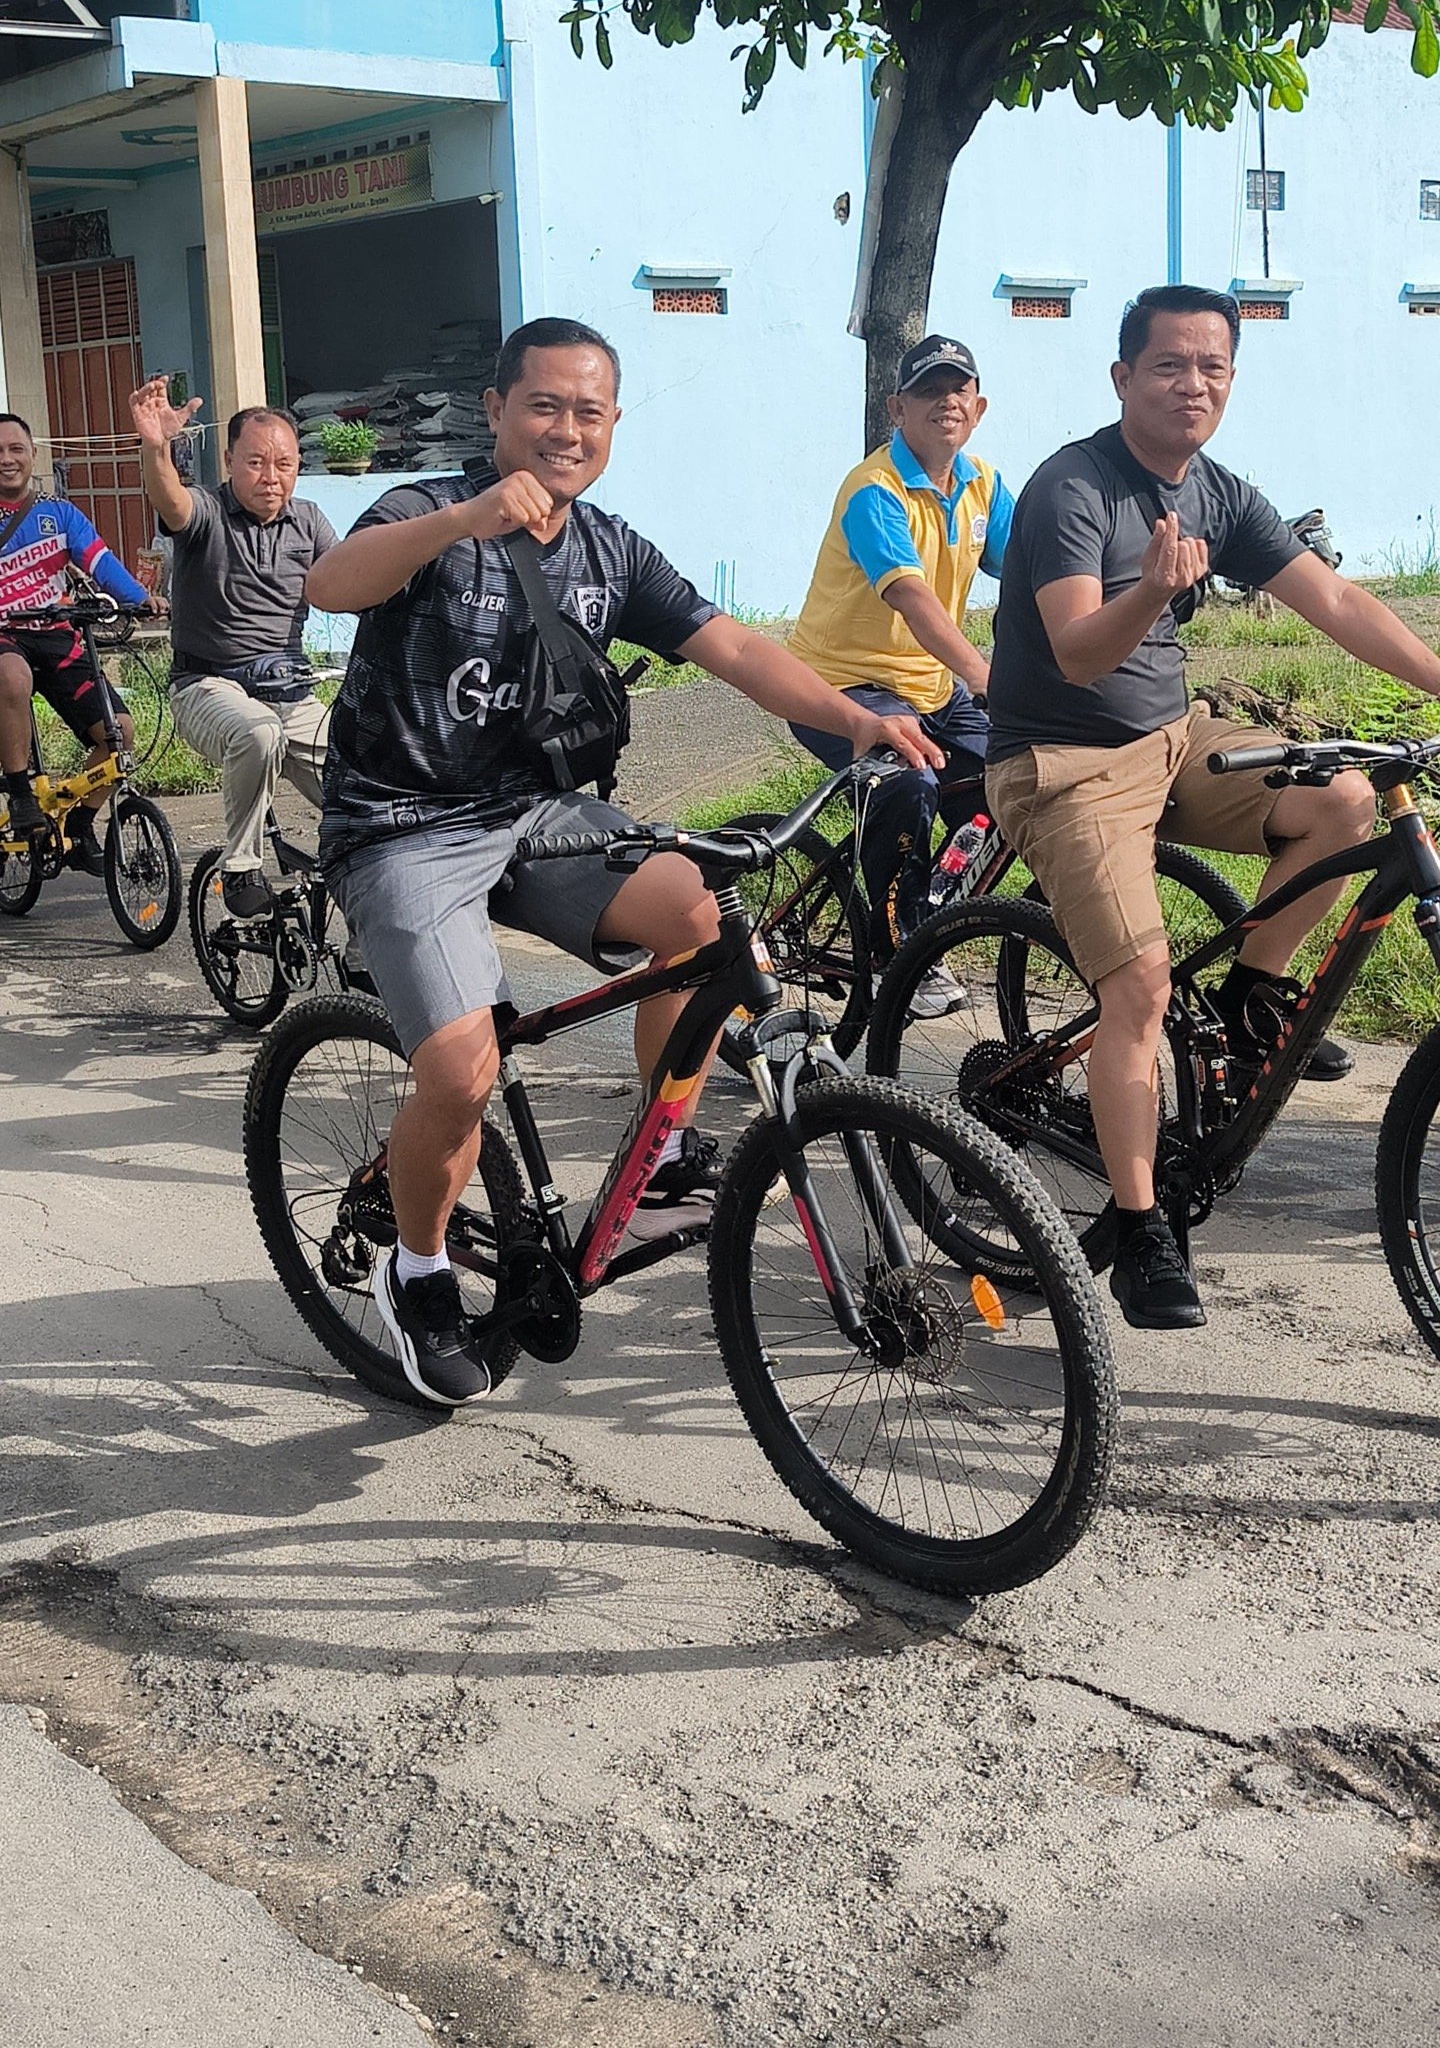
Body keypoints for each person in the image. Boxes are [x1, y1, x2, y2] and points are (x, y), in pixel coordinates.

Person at [307, 314, 938, 1409]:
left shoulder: (610, 550)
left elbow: (731, 645)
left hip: (539, 814)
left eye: (588, 412)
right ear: (496, 411)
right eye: (543, 406)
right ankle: (417, 1270)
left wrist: (854, 720)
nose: (566, 429)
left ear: (611, 426)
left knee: (699, 916)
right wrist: (463, 520)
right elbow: (331, 584)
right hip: (405, 824)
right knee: (461, 1073)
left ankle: (659, 1162)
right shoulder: (423, 510)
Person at [985, 281, 1440, 1331]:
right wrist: (1150, 589)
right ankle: (1143, 1225)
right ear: (1122, 377)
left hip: (1173, 737)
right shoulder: (1072, 488)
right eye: (1169, 365)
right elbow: (1077, 653)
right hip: (1063, 761)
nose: (1193, 384)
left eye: (1212, 367)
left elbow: (1337, 599)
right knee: (1140, 989)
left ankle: (1247, 1000)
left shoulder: (1221, 494)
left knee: (1343, 800)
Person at [787, 335, 1015, 1013]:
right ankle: (898, 952)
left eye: (959, 390)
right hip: (839, 686)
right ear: (897, 408)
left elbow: (1040, 570)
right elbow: (911, 598)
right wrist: (983, 673)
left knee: (1014, 776)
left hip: (932, 689)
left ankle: (928, 913)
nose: (947, 402)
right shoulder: (874, 490)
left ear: (978, 408)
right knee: (908, 781)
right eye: (928, 391)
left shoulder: (983, 485)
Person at [129, 382, 337, 919]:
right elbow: (170, 501)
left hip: (291, 693)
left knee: (368, 786)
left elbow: (350, 581)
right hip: (206, 687)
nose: (271, 477)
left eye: (284, 464)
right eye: (256, 462)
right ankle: (241, 865)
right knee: (258, 732)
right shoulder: (207, 512)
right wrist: (156, 448)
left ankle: (365, 933)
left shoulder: (310, 521)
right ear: (228, 462)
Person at [0, 413, 150, 873]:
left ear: (33, 455)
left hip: (57, 637)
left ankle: (80, 827)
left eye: (16, 449)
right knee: (12, 676)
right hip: (5, 639)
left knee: (120, 732)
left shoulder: (60, 515)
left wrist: (141, 600)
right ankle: (20, 794)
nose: (7, 459)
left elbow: (101, 563)